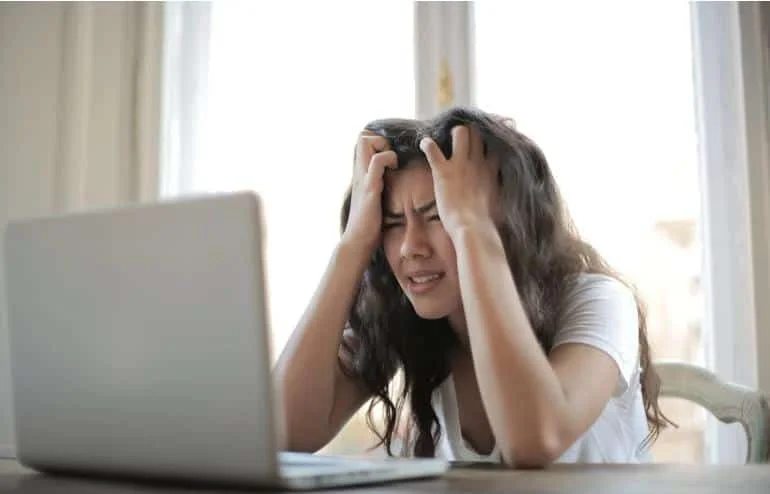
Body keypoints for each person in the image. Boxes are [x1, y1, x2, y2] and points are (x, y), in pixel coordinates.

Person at [273, 106, 672, 467]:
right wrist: (353, 244)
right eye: (392, 223)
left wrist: (471, 228)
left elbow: (536, 440)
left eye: (438, 216)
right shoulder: (408, 321)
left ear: (505, 221)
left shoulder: (599, 300)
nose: (411, 247)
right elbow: (283, 433)